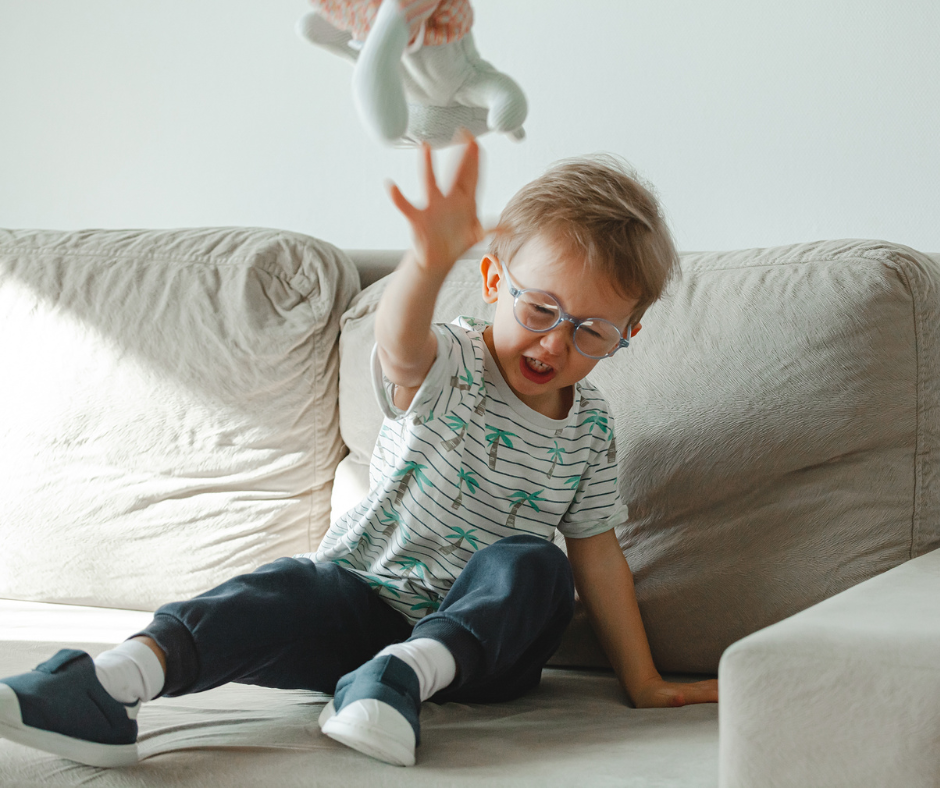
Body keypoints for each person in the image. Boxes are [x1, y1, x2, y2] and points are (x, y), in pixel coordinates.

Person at [0, 134, 718, 770]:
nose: (556, 343)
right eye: (540, 311)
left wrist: (645, 681)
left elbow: (598, 554)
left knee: (536, 567)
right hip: (362, 601)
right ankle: (110, 682)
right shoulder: (455, 365)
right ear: (496, 282)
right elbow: (400, 345)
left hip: (480, 649)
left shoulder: (589, 428)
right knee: (282, 586)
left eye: (592, 331)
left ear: (630, 334)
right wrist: (429, 260)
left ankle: (397, 679)